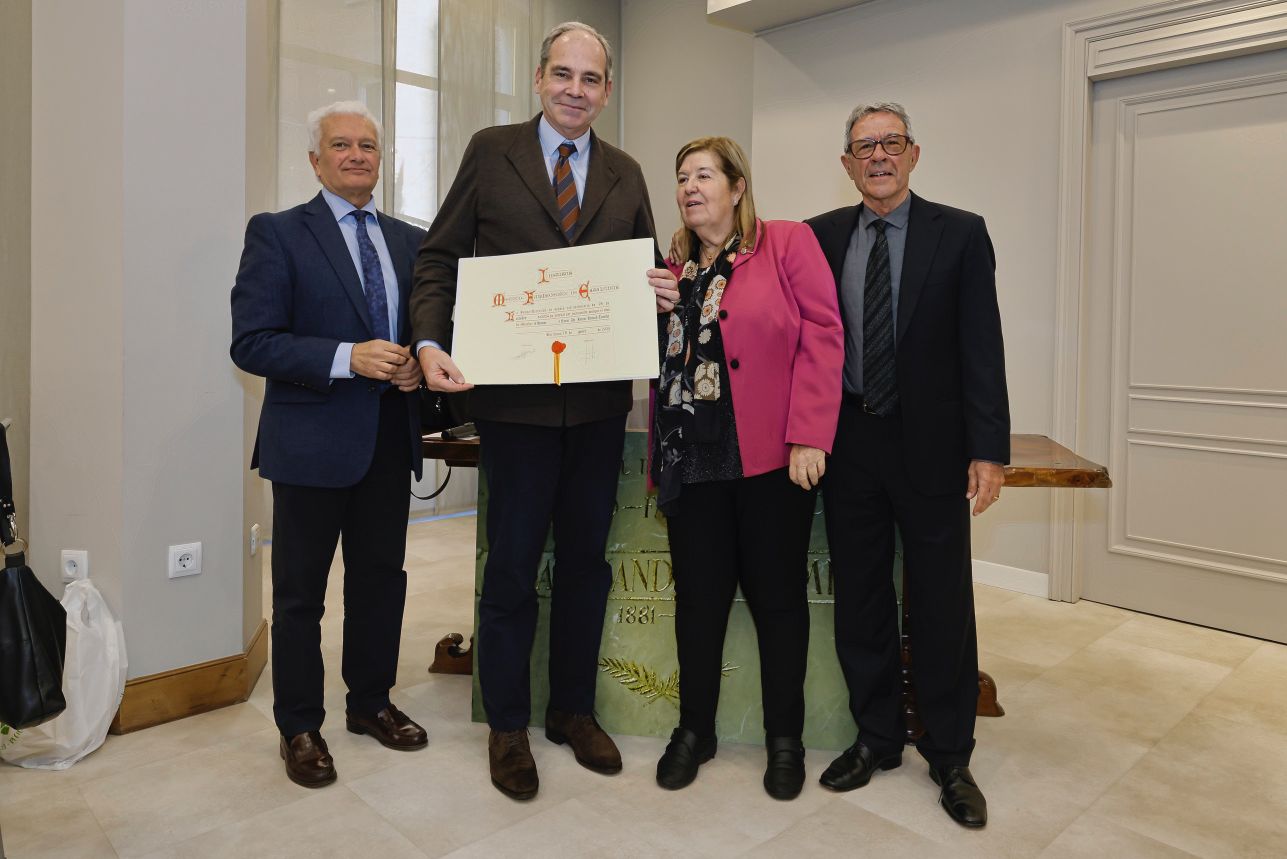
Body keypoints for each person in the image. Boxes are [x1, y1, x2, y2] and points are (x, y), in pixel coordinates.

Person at [411, 22, 672, 801]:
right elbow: (437, 257)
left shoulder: (625, 173)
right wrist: (427, 342)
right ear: (538, 78)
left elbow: (643, 275)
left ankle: (571, 711)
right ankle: (509, 726)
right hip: (515, 408)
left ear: (607, 91)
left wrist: (658, 292)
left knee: (587, 568)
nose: (574, 90)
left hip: (595, 410)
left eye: (590, 79)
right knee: (512, 572)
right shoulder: (492, 152)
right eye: (562, 74)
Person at [805, 102, 1009, 827]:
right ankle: (877, 737)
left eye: (891, 143)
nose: (878, 156)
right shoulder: (818, 238)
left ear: (914, 154)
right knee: (860, 597)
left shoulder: (958, 233)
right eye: (864, 146)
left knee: (940, 602)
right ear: (846, 163)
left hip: (932, 446)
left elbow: (981, 347)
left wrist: (988, 448)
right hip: (850, 442)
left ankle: (950, 753)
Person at [231, 101, 429, 789]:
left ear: (382, 160)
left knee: (381, 585)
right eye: (340, 144)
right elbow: (252, 341)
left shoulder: (411, 242)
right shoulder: (279, 234)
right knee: (299, 599)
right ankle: (300, 724)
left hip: (386, 442)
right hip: (309, 445)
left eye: (368, 145)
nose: (356, 155)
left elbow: (433, 331)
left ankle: (370, 702)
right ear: (314, 160)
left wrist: (415, 366)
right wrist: (350, 356)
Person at [651, 137, 844, 800]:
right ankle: (694, 730)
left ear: (737, 186)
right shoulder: (672, 267)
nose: (689, 187)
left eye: (704, 174)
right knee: (697, 605)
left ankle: (783, 739)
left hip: (768, 461)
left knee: (778, 603)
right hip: (690, 461)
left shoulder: (785, 243)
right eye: (681, 177)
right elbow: (661, 360)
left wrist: (809, 432)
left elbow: (824, 332)